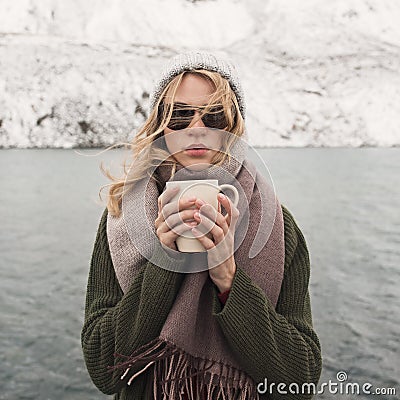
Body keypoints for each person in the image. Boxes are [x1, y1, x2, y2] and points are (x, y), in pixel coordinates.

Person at [81, 52, 322, 399]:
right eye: (179, 116)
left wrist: (227, 278)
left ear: (232, 127)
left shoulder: (279, 228)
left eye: (214, 116)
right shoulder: (123, 217)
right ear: (160, 126)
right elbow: (104, 368)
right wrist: (166, 262)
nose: (197, 128)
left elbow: (300, 380)